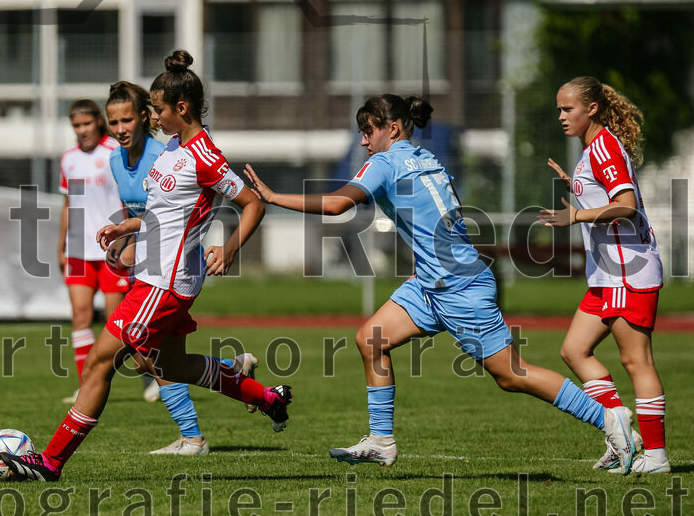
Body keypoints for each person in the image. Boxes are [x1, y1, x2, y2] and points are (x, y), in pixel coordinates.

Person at [243, 93, 637, 473]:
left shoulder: (385, 162)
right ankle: (380, 442)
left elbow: (336, 204)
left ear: (393, 128)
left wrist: (274, 196)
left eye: (369, 130)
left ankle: (608, 419)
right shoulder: (424, 155)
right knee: (371, 339)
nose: (363, 139)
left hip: (458, 286)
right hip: (434, 283)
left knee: (511, 374)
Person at [1, 51, 291, 481]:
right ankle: (266, 397)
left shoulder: (205, 155)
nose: (152, 117)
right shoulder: (174, 148)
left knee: (101, 361)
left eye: (156, 109)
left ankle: (51, 461)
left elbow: (251, 203)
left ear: (181, 107)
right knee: (172, 367)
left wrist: (229, 247)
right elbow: (166, 212)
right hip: (154, 276)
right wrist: (128, 227)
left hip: (164, 283)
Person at [104, 80, 258, 455]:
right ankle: (204, 418)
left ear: (145, 116)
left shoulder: (169, 149)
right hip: (148, 265)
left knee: (139, 357)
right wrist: (126, 236)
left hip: (171, 272)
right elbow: (152, 213)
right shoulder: (120, 159)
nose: (120, 129)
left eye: (129, 119)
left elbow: (189, 211)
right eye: (113, 122)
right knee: (155, 360)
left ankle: (195, 433)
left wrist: (230, 247)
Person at [538, 77, 669, 474]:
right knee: (573, 350)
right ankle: (621, 430)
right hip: (607, 274)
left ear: (591, 109)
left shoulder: (605, 147)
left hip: (628, 271)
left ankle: (657, 457)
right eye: (559, 109)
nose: (561, 116)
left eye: (568, 109)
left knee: (636, 362)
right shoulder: (594, 148)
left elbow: (626, 206)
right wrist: (576, 188)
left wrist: (575, 213)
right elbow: (606, 196)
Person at [56, 99, 131, 403]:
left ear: (98, 122)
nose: (82, 130)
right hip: (77, 250)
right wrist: (60, 245)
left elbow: (128, 199)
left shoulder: (114, 151)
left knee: (117, 322)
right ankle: (86, 384)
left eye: (87, 123)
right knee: (80, 315)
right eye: (76, 125)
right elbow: (67, 206)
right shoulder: (68, 159)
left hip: (111, 250)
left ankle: (150, 377)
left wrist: (127, 240)